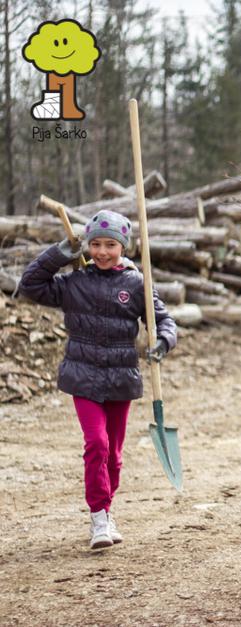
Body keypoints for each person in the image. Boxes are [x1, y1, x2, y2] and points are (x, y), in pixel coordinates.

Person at [18, 210, 177, 550]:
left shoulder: (137, 284)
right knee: (97, 444)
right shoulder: (74, 283)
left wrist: (162, 342)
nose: (102, 251)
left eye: (110, 245)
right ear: (87, 246)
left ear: (123, 247)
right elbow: (29, 286)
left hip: (121, 379)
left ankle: (107, 507)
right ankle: (99, 517)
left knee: (114, 457)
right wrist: (58, 255)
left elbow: (163, 320)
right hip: (83, 377)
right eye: (95, 244)